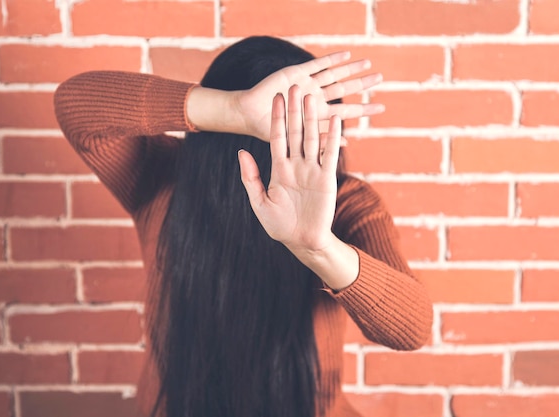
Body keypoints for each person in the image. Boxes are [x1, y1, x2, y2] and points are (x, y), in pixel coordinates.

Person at [54, 36, 433, 417]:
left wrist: (317, 248)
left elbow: (411, 328)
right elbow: (77, 107)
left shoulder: (348, 203)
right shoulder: (163, 179)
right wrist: (236, 110)